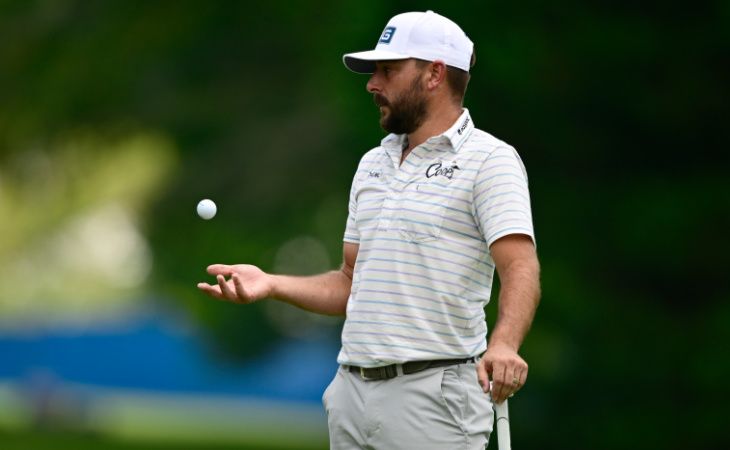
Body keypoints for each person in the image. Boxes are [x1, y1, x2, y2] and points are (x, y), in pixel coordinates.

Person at [198, 10, 540, 449]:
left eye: (388, 70)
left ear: (434, 74)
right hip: (352, 393)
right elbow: (350, 282)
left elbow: (520, 265)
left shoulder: (490, 161)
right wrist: (270, 283)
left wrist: (506, 343)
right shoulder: (372, 164)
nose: (372, 83)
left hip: (434, 399)